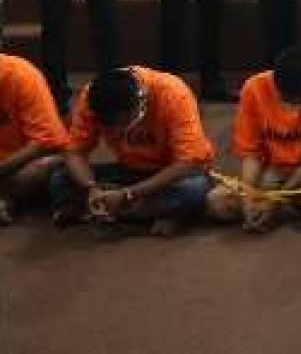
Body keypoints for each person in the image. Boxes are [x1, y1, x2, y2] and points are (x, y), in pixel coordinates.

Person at [50, 66, 214, 237]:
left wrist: (129, 194)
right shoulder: (90, 98)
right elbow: (74, 152)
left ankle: (105, 210)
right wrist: (91, 187)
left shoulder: (173, 93)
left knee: (194, 189)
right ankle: (147, 212)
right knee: (60, 177)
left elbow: (187, 163)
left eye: (123, 123)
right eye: (111, 126)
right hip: (130, 170)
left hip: (172, 174)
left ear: (139, 102)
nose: (118, 131)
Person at [206, 45, 301, 232]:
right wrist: (248, 198)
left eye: (298, 101)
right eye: (285, 100)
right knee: (216, 202)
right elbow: (252, 154)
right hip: (274, 171)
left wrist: (273, 202)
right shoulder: (254, 88)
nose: (292, 109)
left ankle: (280, 211)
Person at [0, 52, 69, 224]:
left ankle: (7, 196)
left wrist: (3, 168)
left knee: (54, 164)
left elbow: (46, 141)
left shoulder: (20, 74)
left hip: (19, 165)